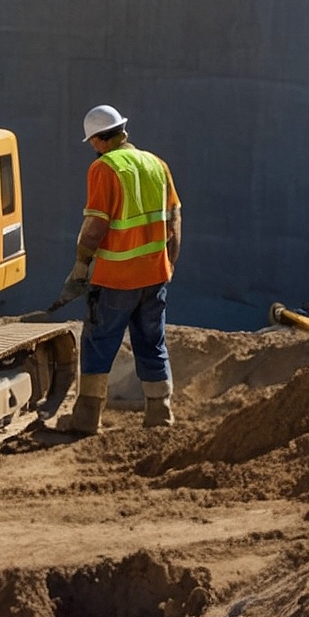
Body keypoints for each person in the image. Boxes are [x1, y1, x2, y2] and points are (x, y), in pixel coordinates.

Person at [49, 106, 181, 434]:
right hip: (155, 275)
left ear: (96, 139)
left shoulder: (104, 168)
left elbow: (95, 226)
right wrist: (169, 263)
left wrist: (80, 267)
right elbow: (174, 220)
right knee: (152, 340)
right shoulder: (157, 164)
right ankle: (160, 413)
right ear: (123, 130)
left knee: (98, 340)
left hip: (117, 279)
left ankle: (86, 418)